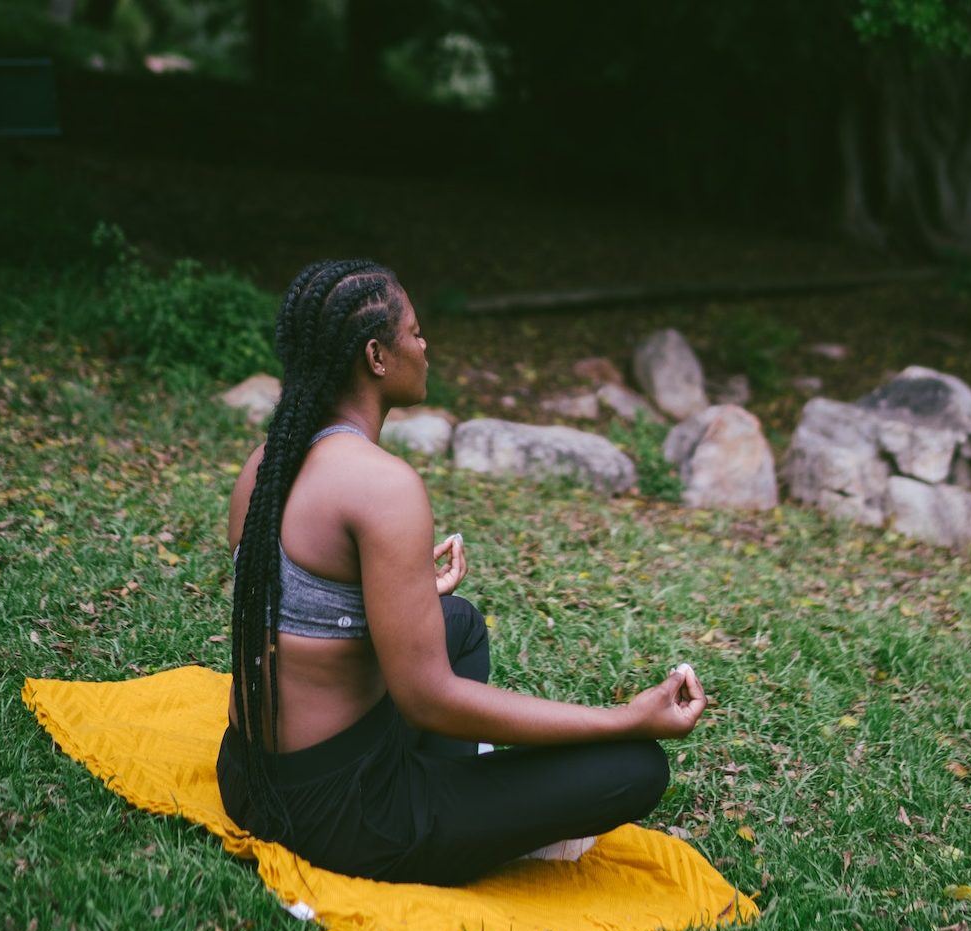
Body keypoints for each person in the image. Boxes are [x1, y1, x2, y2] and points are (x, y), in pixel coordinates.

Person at [215, 259, 707, 885]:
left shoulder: (267, 461)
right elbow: (429, 702)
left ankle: (459, 799)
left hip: (249, 775)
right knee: (638, 769)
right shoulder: (382, 485)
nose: (425, 346)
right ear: (376, 356)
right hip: (341, 815)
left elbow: (289, 609)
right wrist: (627, 719)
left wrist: (403, 592)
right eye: (415, 332)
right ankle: (456, 825)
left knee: (458, 623)